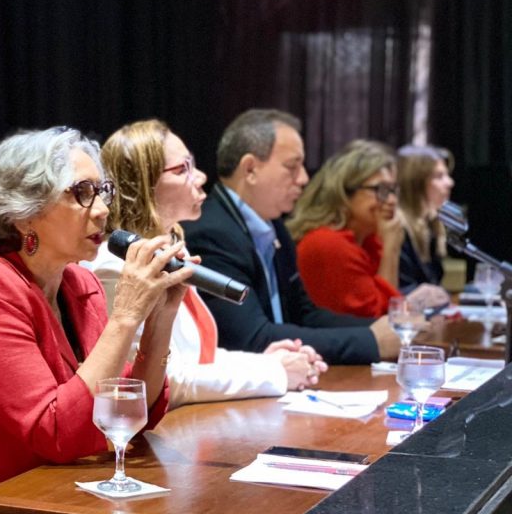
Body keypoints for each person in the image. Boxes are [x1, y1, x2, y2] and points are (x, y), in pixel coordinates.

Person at [0, 126, 193, 488]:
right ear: (24, 213)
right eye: (82, 193)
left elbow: (126, 413)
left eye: (102, 193)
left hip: (59, 488)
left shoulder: (81, 284)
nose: (102, 211)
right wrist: (126, 315)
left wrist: (162, 317)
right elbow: (57, 433)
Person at [85, 118, 327, 403]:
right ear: (143, 185)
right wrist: (275, 372)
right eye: (182, 169)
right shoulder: (114, 267)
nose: (200, 177)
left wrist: (266, 361)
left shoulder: (175, 251)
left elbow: (197, 361)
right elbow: (159, 383)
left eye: (194, 165)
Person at [180, 109, 400, 364]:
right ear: (250, 169)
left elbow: (304, 315)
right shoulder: (212, 234)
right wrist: (370, 342)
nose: (304, 178)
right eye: (292, 167)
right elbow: (253, 339)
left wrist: (379, 328)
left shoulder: (274, 225)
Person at [287, 140, 449, 318]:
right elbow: (378, 321)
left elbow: (389, 314)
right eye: (380, 190)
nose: (392, 200)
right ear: (344, 192)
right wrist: (391, 250)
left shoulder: (369, 240)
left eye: (393, 190)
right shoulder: (327, 243)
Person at [396, 144, 455, 291]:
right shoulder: (396, 227)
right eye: (439, 176)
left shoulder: (431, 224)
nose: (450, 183)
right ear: (415, 183)